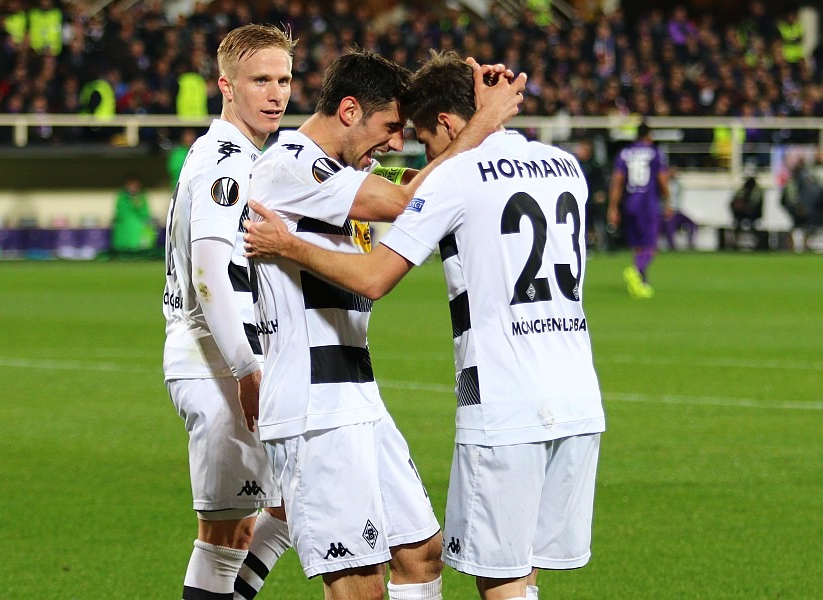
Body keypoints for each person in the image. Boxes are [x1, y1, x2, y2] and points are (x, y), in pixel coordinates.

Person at [244, 50, 603, 600]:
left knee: (421, 551)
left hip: (360, 395)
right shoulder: (290, 163)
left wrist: (471, 131)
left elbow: (425, 185)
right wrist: (482, 124)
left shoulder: (351, 172)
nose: (395, 144)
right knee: (359, 578)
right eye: (390, 128)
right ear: (348, 111)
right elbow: (414, 197)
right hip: (313, 400)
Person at [161, 24, 294, 600]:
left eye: (284, 80)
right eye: (260, 80)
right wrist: (245, 368)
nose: (275, 93)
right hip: (216, 362)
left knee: (285, 507)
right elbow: (210, 271)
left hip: (232, 359)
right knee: (224, 537)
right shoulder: (224, 162)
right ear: (226, 86)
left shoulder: (235, 154)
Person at [607, 122, 670, 299]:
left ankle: (641, 282)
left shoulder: (624, 153)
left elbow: (617, 181)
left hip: (630, 204)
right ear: (649, 135)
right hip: (648, 204)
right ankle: (637, 270)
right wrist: (668, 201)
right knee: (651, 247)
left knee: (638, 247)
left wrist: (613, 208)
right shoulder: (655, 153)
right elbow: (662, 179)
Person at [111, 174, 156, 255]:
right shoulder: (122, 197)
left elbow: (146, 214)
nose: (133, 187)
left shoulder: (142, 197)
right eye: (131, 185)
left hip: (139, 234)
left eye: (135, 185)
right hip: (124, 234)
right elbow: (121, 213)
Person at [661, 167, 697, 250]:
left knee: (692, 223)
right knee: (670, 226)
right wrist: (665, 209)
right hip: (666, 212)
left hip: (677, 211)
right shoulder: (663, 183)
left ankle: (690, 243)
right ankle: (672, 247)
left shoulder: (678, 184)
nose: (673, 174)